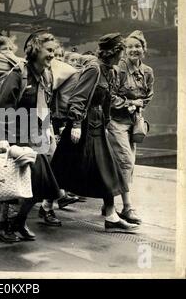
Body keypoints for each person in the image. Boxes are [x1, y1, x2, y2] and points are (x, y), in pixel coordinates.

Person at [51, 32, 140, 233]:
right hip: (82, 124)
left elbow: (107, 99)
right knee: (64, 165)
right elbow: (78, 97)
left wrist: (106, 122)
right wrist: (74, 124)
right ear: (113, 52)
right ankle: (47, 205)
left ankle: (111, 215)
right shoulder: (94, 69)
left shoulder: (110, 71)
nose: (123, 56)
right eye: (122, 51)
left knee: (105, 166)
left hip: (97, 124)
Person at [0, 30, 66, 241]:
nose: (52, 55)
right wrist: (2, 140)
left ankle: (19, 222)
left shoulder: (45, 76)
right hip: (14, 136)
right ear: (35, 49)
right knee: (11, 185)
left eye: (54, 50)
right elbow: (2, 109)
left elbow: (44, 108)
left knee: (40, 184)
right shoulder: (18, 74)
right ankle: (1, 226)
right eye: (49, 50)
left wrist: (48, 132)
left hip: (35, 136)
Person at [107, 30, 154, 224]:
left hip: (134, 123)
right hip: (115, 121)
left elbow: (149, 96)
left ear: (144, 49)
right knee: (126, 162)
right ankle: (127, 207)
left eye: (138, 46)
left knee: (128, 164)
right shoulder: (119, 69)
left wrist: (138, 105)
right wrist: (131, 103)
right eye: (130, 47)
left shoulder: (148, 72)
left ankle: (107, 204)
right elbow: (110, 96)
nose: (134, 50)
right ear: (124, 50)